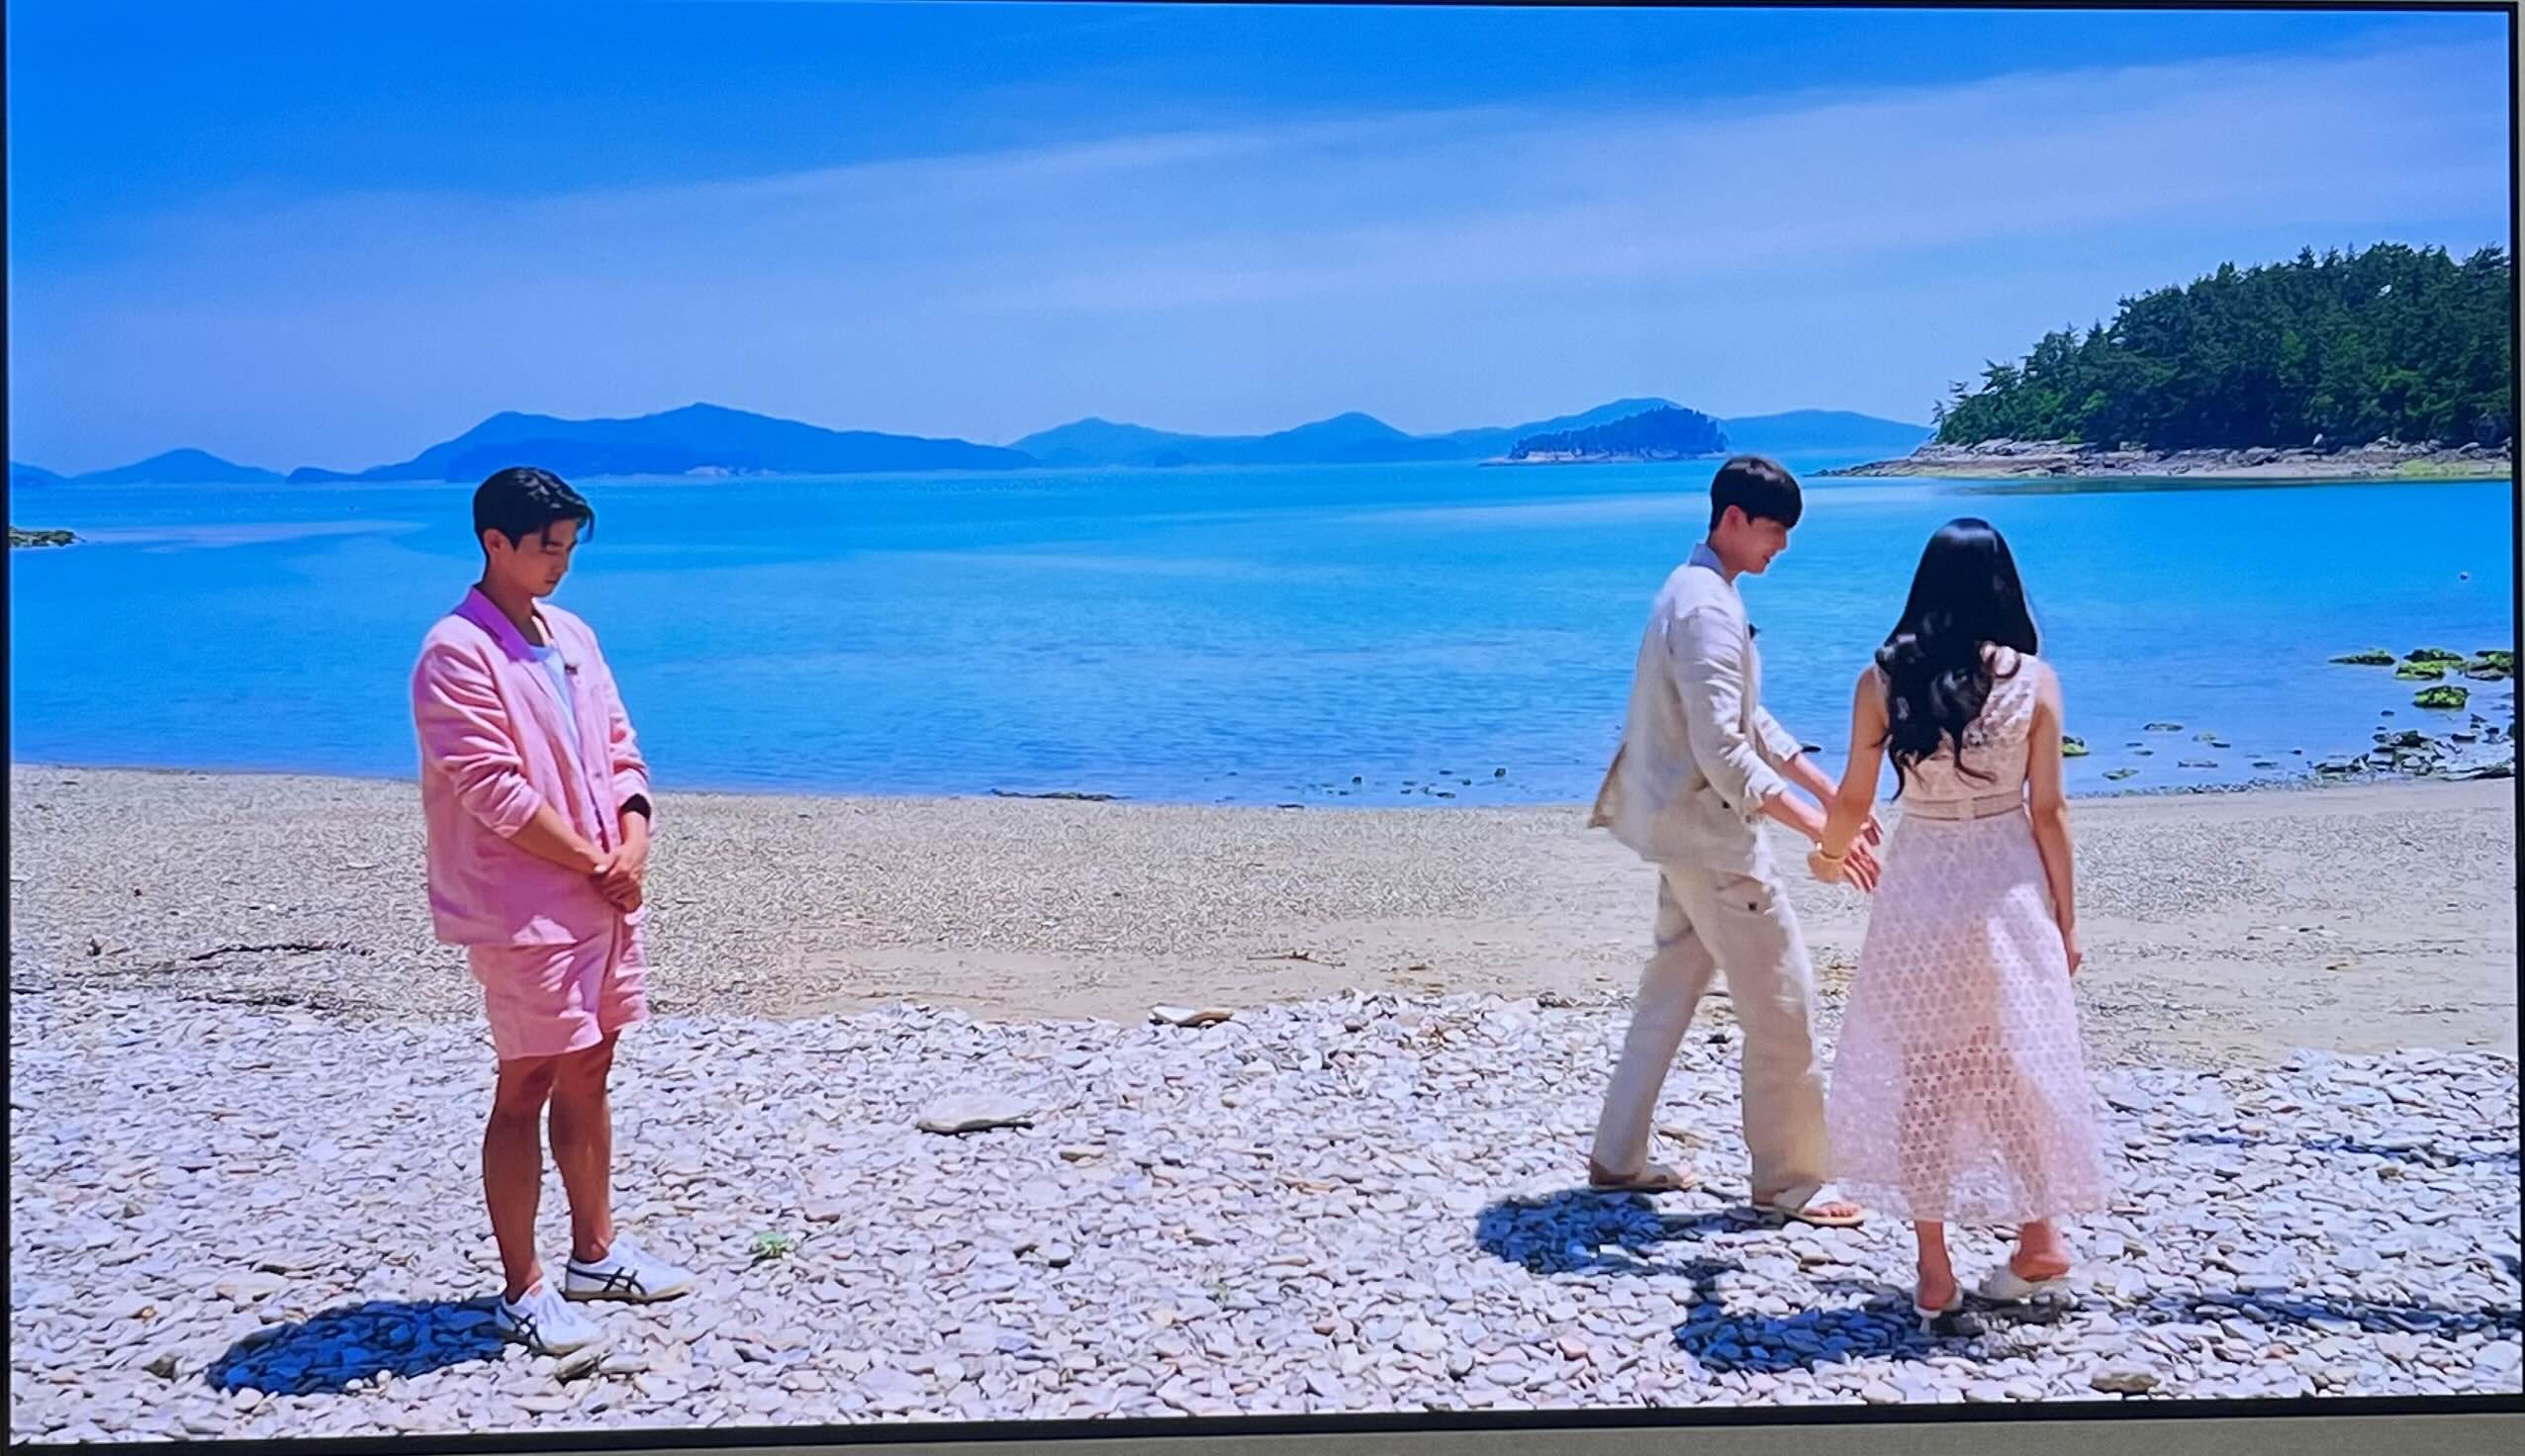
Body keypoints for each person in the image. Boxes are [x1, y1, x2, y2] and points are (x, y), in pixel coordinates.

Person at [412, 466, 694, 1355]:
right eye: (546, 548)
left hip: (601, 893)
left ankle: (594, 1253)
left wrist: (633, 839)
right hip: (522, 903)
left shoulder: (572, 634)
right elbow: (492, 787)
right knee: (526, 1079)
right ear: (494, 542)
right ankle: (521, 1287)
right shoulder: (456, 651)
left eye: (569, 547)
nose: (560, 564)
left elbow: (620, 748)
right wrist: (595, 860)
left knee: (591, 1066)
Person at [1808, 517, 2109, 1327]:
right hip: (2007, 886)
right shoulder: (2034, 681)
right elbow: (2049, 812)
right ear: (2003, 588)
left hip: (1924, 886)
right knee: (2011, 1066)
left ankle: (1935, 1270)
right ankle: (2039, 1237)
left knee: (1926, 1077)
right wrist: (2067, 921)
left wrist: (1829, 857)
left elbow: (1855, 798)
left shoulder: (1883, 680)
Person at [1584, 456, 1880, 1227]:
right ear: (1734, 519)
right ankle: (1791, 1181)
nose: (1782, 546)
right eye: (1775, 530)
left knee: (1668, 995)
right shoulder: (1706, 608)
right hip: (1713, 842)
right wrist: (1819, 828)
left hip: (1679, 831)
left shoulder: (1697, 591)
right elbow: (1722, 749)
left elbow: (1748, 718)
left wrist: (1828, 789)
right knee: (1783, 1004)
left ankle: (1617, 1157)